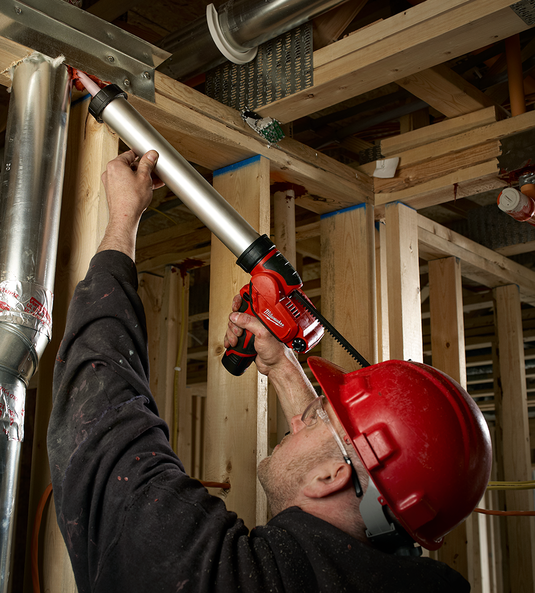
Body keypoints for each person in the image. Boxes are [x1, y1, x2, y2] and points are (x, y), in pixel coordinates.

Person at [48, 149, 492, 593]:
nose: (296, 419)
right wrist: (282, 365)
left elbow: (101, 415)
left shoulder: (218, 575)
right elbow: (336, 459)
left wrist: (123, 220)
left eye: (315, 418)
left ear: (330, 478)